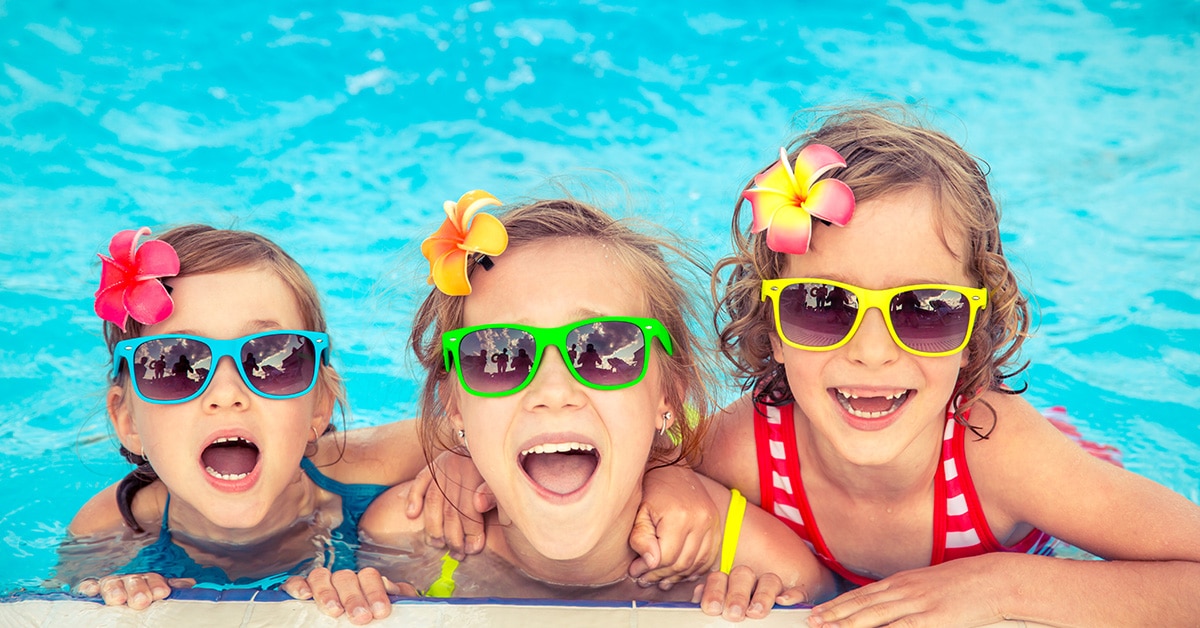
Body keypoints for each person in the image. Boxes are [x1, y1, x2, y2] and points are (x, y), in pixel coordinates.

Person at [699, 107, 1200, 626]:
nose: (872, 352)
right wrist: (676, 490)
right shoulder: (747, 450)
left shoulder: (1002, 455)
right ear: (772, 326)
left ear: (972, 335)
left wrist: (1004, 583)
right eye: (822, 303)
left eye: (925, 309)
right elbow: (634, 467)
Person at [290, 197, 834, 623]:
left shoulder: (759, 562)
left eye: (602, 349)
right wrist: (357, 599)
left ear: (668, 396)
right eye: (499, 354)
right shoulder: (410, 539)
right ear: (453, 406)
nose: (553, 389)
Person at [56, 225, 430, 608]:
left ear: (320, 406)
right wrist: (113, 589)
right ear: (128, 422)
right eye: (177, 364)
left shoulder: (369, 465)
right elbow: (54, 603)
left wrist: (457, 464)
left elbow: (460, 430)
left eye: (272, 358)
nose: (227, 395)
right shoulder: (108, 528)